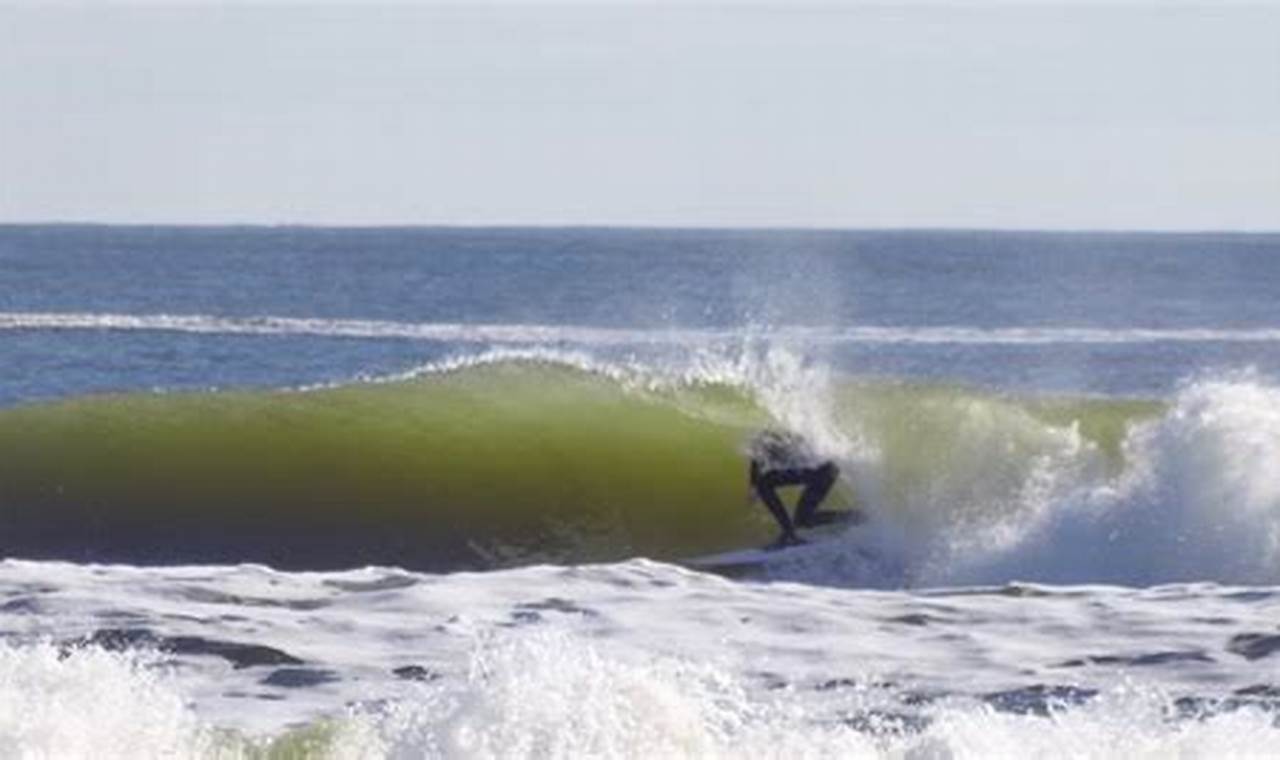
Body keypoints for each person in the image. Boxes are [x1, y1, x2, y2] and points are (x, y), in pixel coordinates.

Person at [746, 429, 843, 548]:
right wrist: (753, 485)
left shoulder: (778, 445)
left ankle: (789, 535)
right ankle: (853, 517)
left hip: (824, 472)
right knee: (803, 520)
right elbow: (757, 462)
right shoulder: (770, 446)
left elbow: (758, 461)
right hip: (827, 471)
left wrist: (754, 485)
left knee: (765, 482)